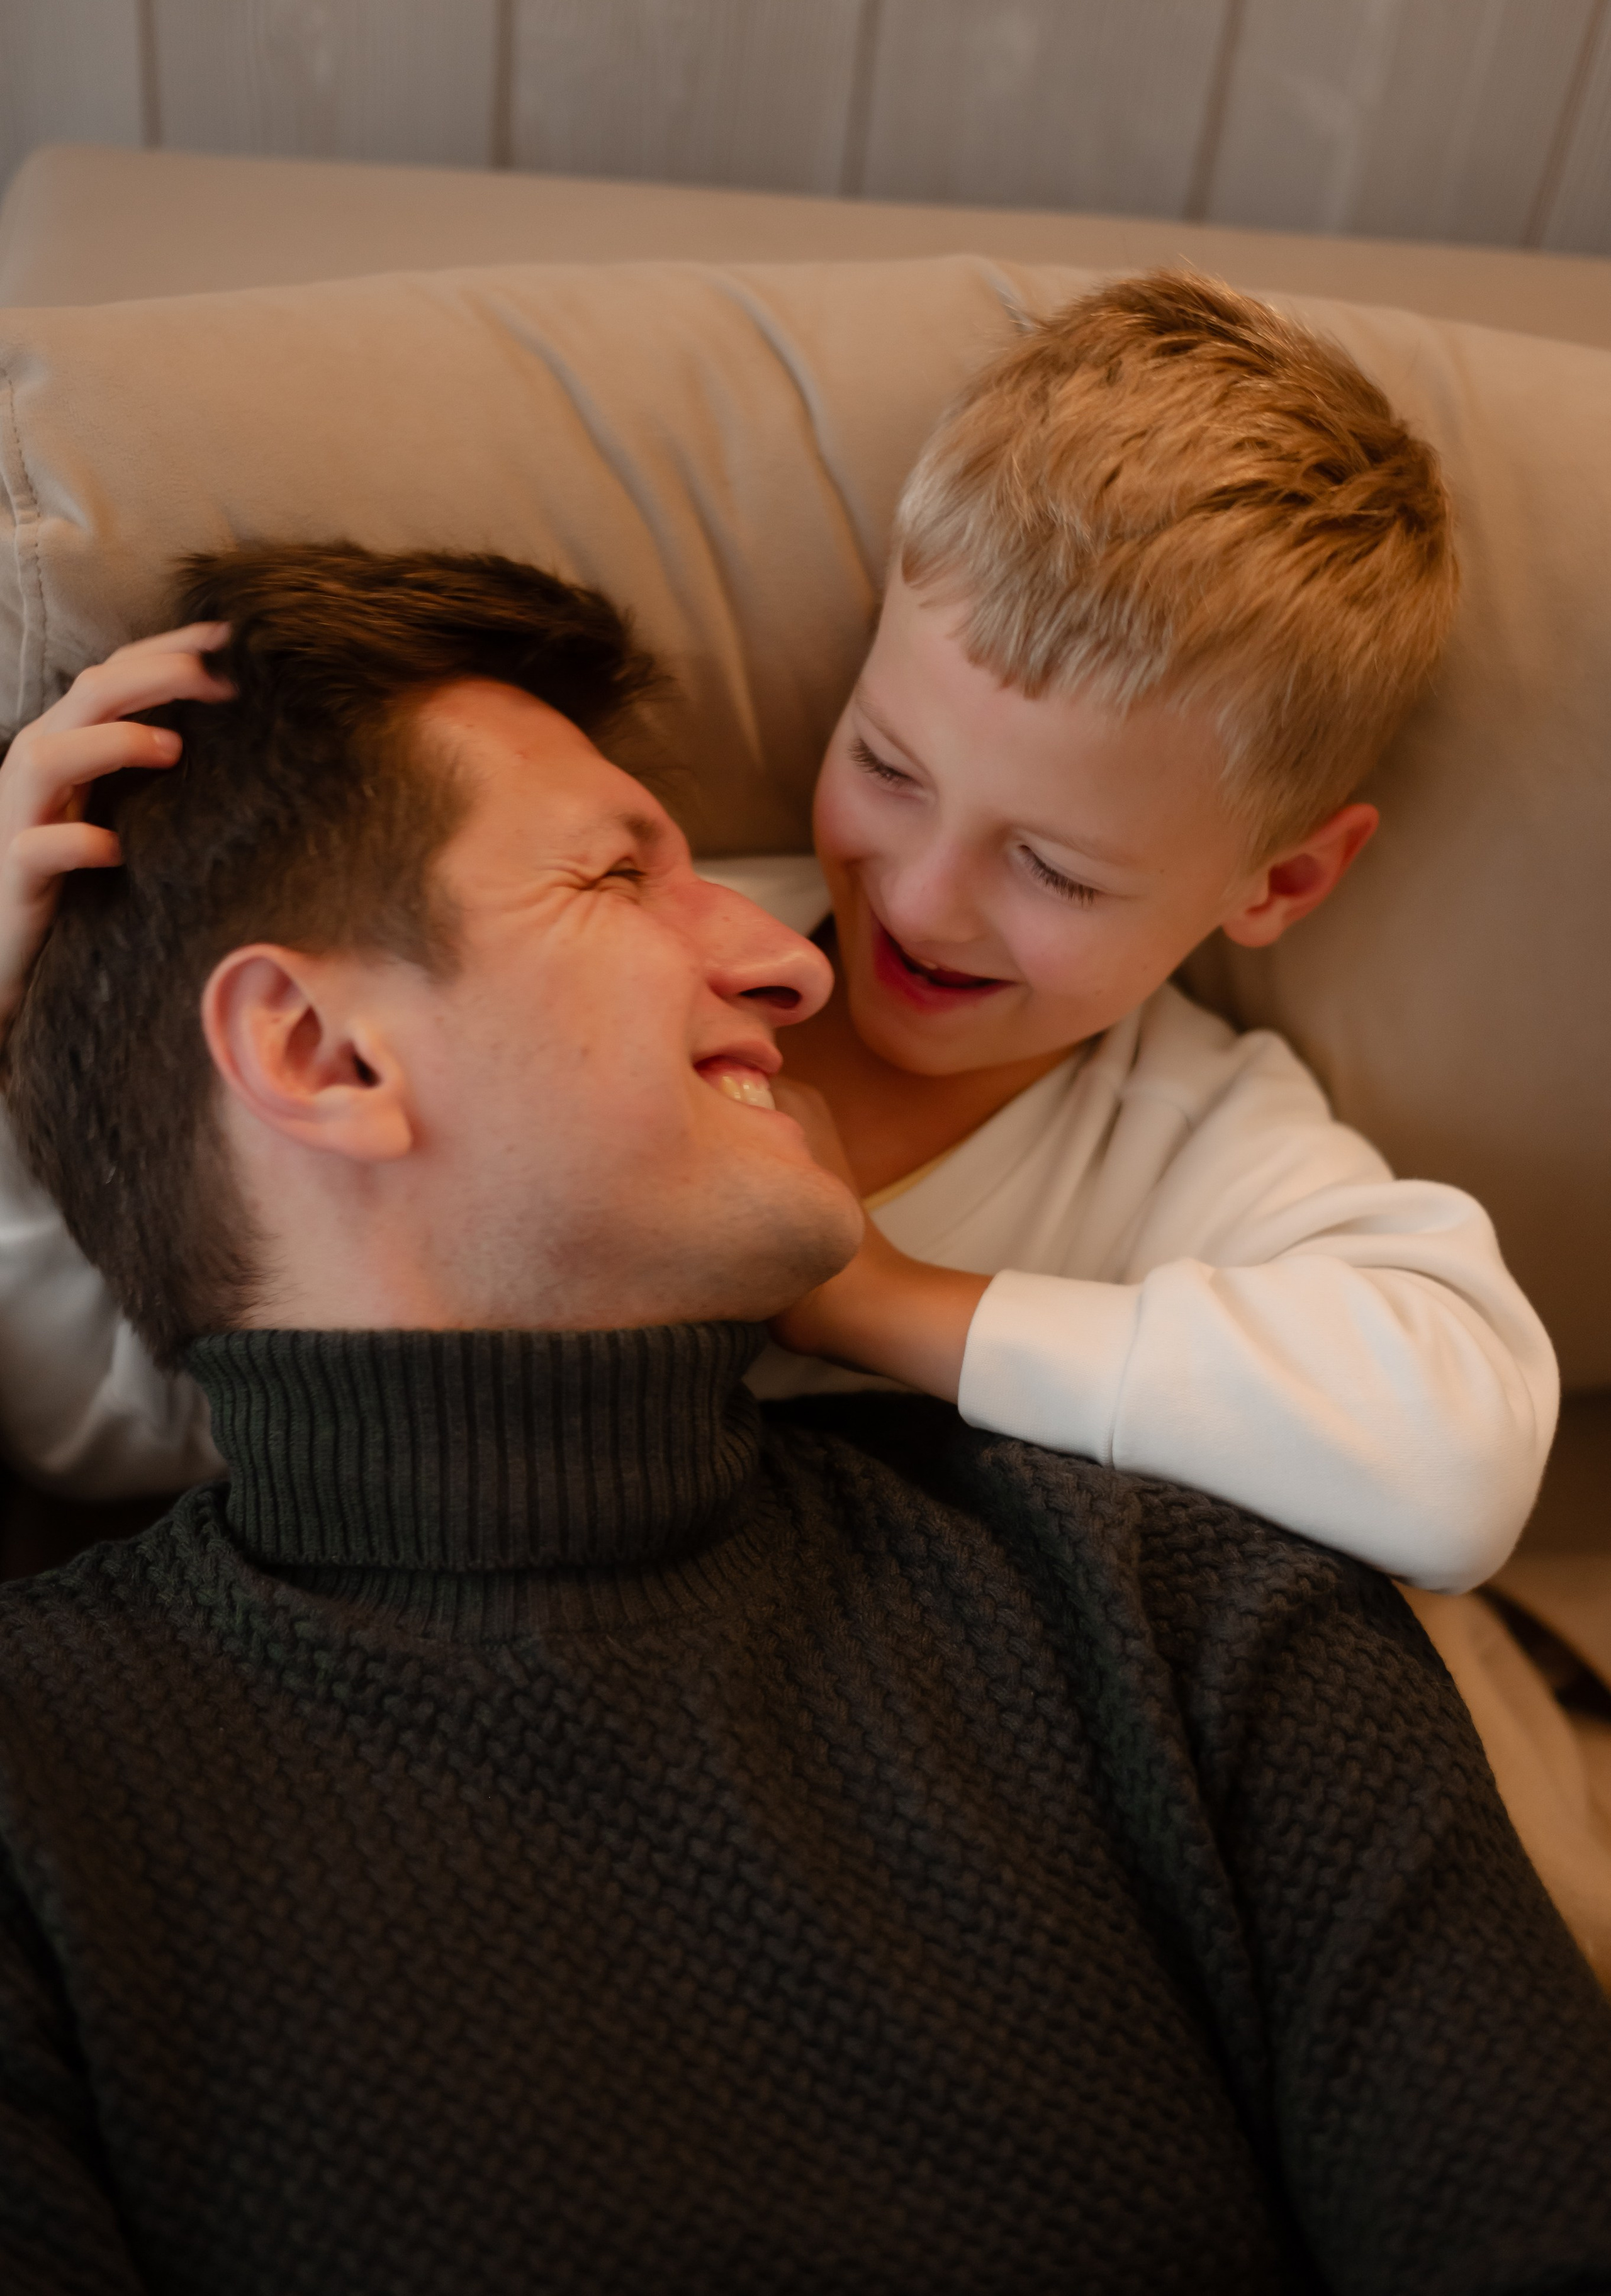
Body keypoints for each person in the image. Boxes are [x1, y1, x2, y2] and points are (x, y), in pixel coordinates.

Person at [0, 542, 1608, 2296]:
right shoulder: (40, 1793)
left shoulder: (1195, 1612)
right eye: (624, 874)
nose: (805, 957)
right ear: (319, 1055)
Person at [0, 272, 1554, 1599]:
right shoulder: (633, 928)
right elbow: (115, 1401)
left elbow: (1454, 1457)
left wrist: (875, 1296)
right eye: (884, 766)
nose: (918, 899)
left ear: (1274, 885)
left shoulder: (1190, 1137)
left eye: (1057, 872)